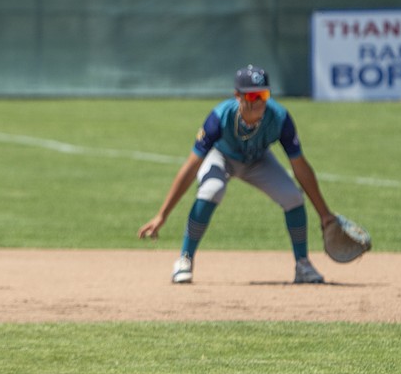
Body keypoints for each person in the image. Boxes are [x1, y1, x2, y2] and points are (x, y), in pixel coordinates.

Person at [137, 65, 336, 285]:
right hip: (222, 156)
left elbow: (300, 167)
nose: (259, 101)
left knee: (293, 197)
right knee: (212, 189)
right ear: (238, 96)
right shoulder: (220, 117)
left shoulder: (279, 118)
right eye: (252, 95)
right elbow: (191, 166)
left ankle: (303, 265)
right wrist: (162, 214)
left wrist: (324, 214)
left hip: (258, 160)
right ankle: (185, 259)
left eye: (263, 94)